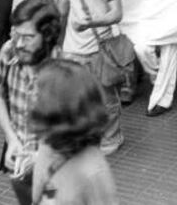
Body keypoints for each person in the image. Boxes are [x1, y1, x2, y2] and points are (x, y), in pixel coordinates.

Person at [59, 0, 124, 155]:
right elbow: (62, 9)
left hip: (99, 48)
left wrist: (91, 23)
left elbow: (116, 14)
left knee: (105, 98)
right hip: (71, 48)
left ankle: (111, 137)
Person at [0, 0, 61, 205]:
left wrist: (42, 156)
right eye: (16, 34)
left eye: (28, 37)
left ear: (47, 36)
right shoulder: (9, 51)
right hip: (20, 161)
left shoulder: (65, 70)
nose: (19, 43)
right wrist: (11, 138)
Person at [31, 60, 119, 205]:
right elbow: (37, 196)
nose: (33, 99)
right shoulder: (47, 143)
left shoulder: (93, 172)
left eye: (39, 94)